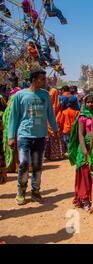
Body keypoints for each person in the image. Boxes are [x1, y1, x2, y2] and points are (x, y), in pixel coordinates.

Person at [8, 70, 58, 206]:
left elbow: (50, 114)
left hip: (40, 136)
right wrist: (11, 136)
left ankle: (35, 191)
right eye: (42, 79)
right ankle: (21, 191)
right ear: (34, 80)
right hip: (24, 135)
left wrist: (55, 129)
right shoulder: (20, 95)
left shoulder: (45, 95)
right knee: (24, 163)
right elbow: (14, 116)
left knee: (37, 166)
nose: (45, 81)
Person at [68, 93, 93, 211]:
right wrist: (85, 150)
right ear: (85, 103)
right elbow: (80, 134)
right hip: (84, 147)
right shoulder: (82, 116)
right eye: (88, 102)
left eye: (92, 102)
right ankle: (85, 199)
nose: (90, 104)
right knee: (85, 173)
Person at [44, 88, 65, 161]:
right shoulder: (48, 103)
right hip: (50, 124)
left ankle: (58, 154)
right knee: (51, 139)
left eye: (52, 95)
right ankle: (50, 154)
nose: (50, 96)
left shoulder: (58, 103)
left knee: (56, 138)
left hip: (56, 122)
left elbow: (59, 113)